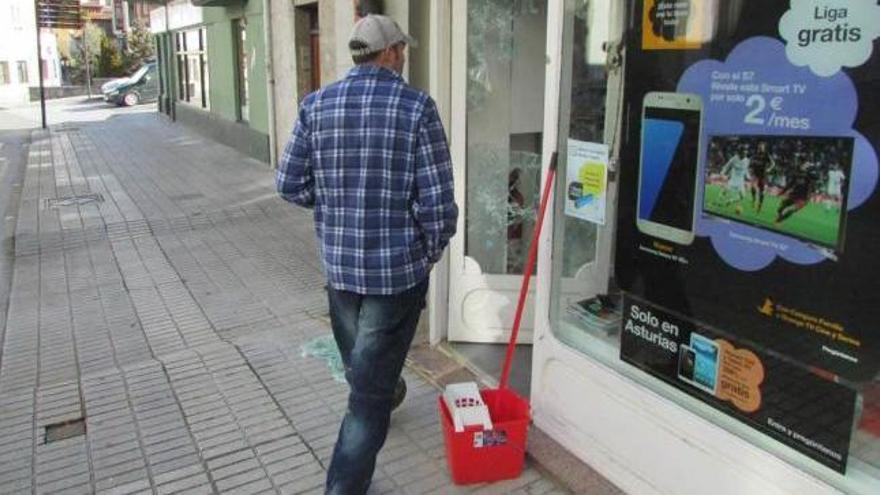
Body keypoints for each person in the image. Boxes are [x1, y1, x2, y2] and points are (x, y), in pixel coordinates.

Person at [276, 14, 458, 495]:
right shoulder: (417, 108)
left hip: (341, 270)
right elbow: (439, 206)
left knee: (366, 370)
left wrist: (335, 205)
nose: (403, 58)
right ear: (392, 52)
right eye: (402, 50)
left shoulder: (316, 105)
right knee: (366, 397)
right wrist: (426, 255)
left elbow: (289, 184)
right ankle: (344, 487)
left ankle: (386, 389)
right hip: (395, 275)